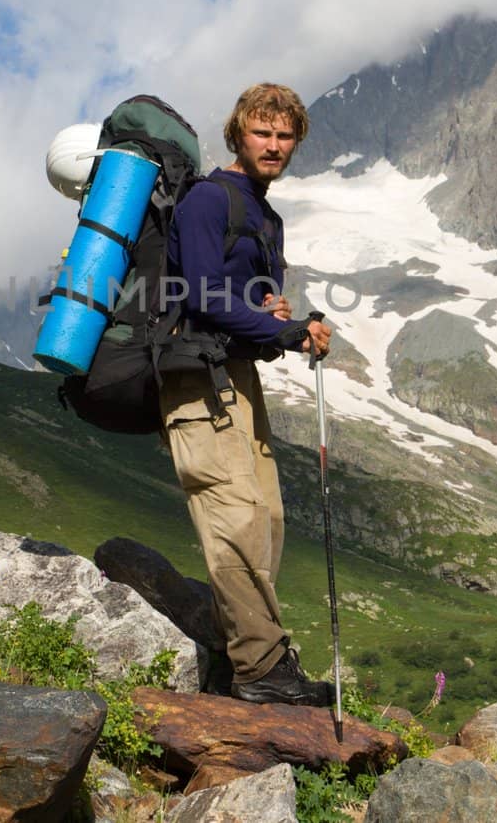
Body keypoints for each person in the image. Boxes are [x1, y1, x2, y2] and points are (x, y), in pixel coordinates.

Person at [159, 81, 334, 706]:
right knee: (236, 518)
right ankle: (261, 673)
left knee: (267, 519)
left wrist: (274, 322)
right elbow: (203, 296)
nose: (275, 145)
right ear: (238, 135)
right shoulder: (210, 199)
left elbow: (241, 311)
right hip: (197, 379)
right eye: (263, 132)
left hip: (238, 374)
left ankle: (255, 657)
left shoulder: (266, 217)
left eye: (285, 136)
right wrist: (285, 328)